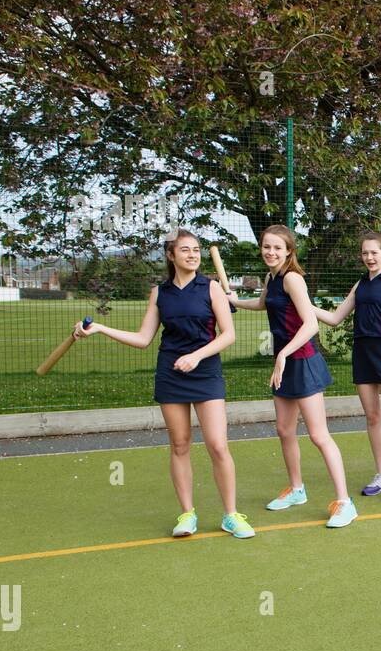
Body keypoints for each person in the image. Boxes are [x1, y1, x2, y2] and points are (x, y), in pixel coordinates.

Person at [73, 228, 254, 539]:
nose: (193, 255)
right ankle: (187, 515)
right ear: (171, 255)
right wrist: (101, 328)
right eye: (185, 250)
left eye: (196, 249)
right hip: (171, 374)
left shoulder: (211, 288)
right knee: (180, 444)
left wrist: (196, 356)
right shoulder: (160, 293)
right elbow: (143, 339)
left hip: (206, 373)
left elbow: (228, 335)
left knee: (218, 445)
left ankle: (230, 515)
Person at [226, 225, 356, 527]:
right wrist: (233, 301)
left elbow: (311, 324)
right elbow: (261, 304)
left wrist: (284, 354)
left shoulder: (293, 279)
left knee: (318, 435)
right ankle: (297, 489)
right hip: (283, 362)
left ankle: (345, 502)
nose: (270, 252)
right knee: (284, 430)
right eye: (266, 247)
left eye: (276, 248)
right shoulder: (271, 278)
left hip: (302, 361)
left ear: (288, 251)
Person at [315, 232, 381, 506]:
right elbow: (334, 318)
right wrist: (304, 306)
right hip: (363, 353)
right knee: (372, 418)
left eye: (374, 253)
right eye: (365, 253)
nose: (369, 257)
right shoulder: (360, 285)